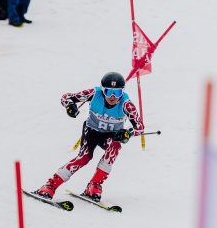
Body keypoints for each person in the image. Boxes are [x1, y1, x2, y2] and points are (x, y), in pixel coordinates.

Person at [32, 72, 144, 202]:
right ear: (102, 91)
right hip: (92, 131)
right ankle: (49, 186)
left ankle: (94, 185)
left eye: (117, 93)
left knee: (114, 147)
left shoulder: (126, 104)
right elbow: (66, 97)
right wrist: (69, 106)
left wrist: (128, 133)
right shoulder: (94, 93)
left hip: (112, 135)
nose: (113, 97)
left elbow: (140, 127)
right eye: (108, 92)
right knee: (84, 158)